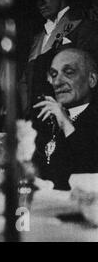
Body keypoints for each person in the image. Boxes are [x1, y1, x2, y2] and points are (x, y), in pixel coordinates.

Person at [20, 0, 98, 113]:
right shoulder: (37, 38)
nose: (40, 3)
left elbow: (87, 79)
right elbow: (26, 81)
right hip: (37, 121)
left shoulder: (83, 27)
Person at [32, 48, 98, 190]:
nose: (57, 82)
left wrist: (66, 124)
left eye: (68, 73)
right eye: (54, 75)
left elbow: (89, 169)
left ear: (91, 79)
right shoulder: (45, 120)